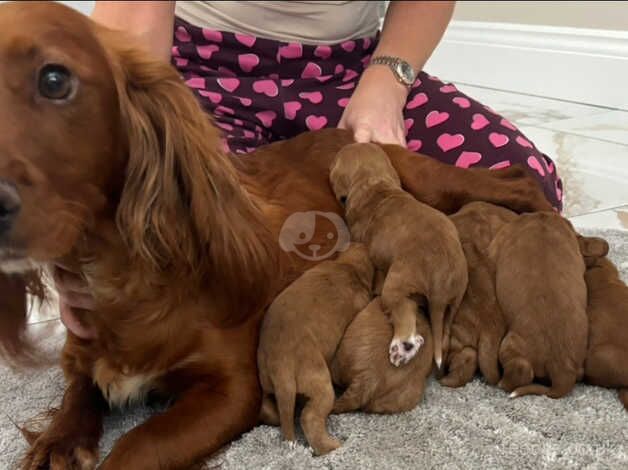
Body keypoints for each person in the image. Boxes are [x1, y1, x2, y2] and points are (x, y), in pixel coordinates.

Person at [55, 1, 563, 338]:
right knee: (188, 247)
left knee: (520, 186)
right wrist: (104, 224)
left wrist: (388, 82)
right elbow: (133, 36)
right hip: (198, 73)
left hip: (351, 71)